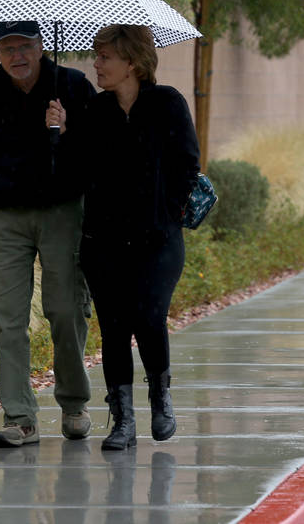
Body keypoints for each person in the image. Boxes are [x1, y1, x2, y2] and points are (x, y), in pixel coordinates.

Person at [0, 20, 98, 447]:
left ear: (41, 45)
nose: (17, 56)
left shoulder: (72, 86)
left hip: (62, 212)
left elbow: (99, 153)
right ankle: (19, 417)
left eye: (25, 47)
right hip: (6, 217)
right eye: (7, 48)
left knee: (65, 310)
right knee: (7, 319)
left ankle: (73, 404)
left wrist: (67, 131)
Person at [55, 24, 199, 451]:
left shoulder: (167, 104)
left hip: (158, 240)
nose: (95, 64)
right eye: (96, 56)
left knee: (149, 317)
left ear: (131, 62)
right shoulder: (95, 112)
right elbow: (74, 174)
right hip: (105, 242)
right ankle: (122, 420)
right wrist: (61, 133)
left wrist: (166, 212)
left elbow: (187, 164)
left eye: (104, 57)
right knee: (114, 328)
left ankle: (160, 397)